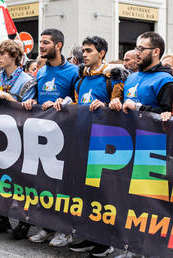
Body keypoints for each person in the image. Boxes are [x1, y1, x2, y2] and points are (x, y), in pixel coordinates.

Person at [54, 36, 126, 257]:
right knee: (84, 192)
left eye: (89, 50)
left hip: (105, 144)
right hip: (82, 141)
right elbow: (78, 102)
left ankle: (106, 241)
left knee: (103, 194)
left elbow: (118, 106)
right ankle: (89, 235)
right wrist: (63, 103)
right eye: (83, 51)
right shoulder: (81, 77)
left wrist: (107, 105)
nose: (84, 54)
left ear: (101, 53)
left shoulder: (112, 77)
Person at [22, 28, 79, 247]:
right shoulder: (41, 72)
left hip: (66, 137)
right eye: (41, 42)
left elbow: (77, 102)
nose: (41, 46)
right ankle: (46, 226)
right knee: (43, 184)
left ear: (58, 45)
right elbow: (35, 97)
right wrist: (31, 102)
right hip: (43, 136)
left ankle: (65, 230)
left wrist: (63, 103)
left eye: (46, 43)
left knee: (62, 187)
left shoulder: (73, 72)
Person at [0, 39, 37, 240]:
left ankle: (25, 220)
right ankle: (2, 217)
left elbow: (28, 109)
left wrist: (8, 98)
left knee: (22, 179)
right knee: (1, 176)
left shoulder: (27, 80)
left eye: (3, 53)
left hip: (21, 134)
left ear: (14, 56)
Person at [119, 32, 173, 114]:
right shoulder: (131, 77)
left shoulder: (166, 80)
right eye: (136, 49)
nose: (136, 53)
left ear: (156, 52)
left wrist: (138, 107)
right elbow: (125, 104)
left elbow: (168, 115)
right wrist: (113, 104)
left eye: (141, 49)